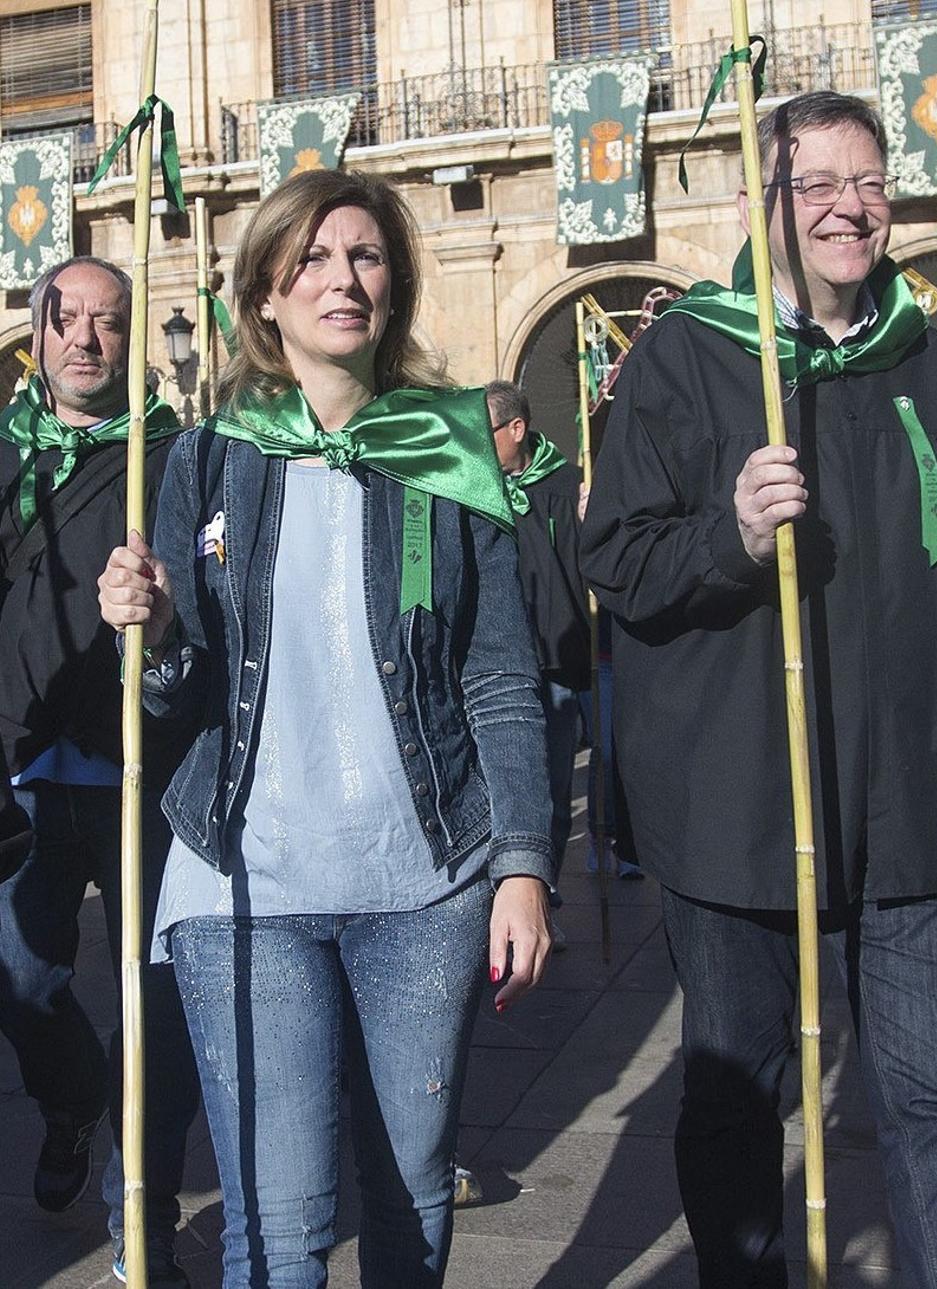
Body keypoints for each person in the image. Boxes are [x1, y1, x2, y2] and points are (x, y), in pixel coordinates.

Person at [580, 90, 937, 1287]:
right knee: (740, 1086)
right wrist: (727, 531)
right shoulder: (683, 356)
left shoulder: (929, 360)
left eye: (869, 181)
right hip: (739, 803)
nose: (849, 207)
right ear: (757, 204)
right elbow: (616, 563)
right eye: (815, 183)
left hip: (913, 800)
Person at [97, 168, 554, 1289]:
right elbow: (175, 693)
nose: (339, 279)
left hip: (424, 878)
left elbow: (500, 675)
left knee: (410, 1204)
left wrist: (526, 865)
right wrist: (147, 633)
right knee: (279, 1224)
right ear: (263, 296)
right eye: (309, 259)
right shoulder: (202, 460)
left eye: (362, 256)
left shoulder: (450, 455)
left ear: (392, 286)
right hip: (243, 884)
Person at [0, 256, 198, 1286]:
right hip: (25, 771)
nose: (86, 338)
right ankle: (68, 1098)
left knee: (148, 1007)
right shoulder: (3, 454)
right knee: (25, 982)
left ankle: (140, 1235)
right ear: (37, 333)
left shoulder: (172, 456)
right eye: (65, 319)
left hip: (140, 779)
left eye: (109, 323)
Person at [487, 378, 589, 914]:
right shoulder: (477, 487)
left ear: (517, 428)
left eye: (489, 431)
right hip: (498, 661)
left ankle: (543, 900)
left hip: (554, 659)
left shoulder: (567, 485)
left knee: (550, 786)